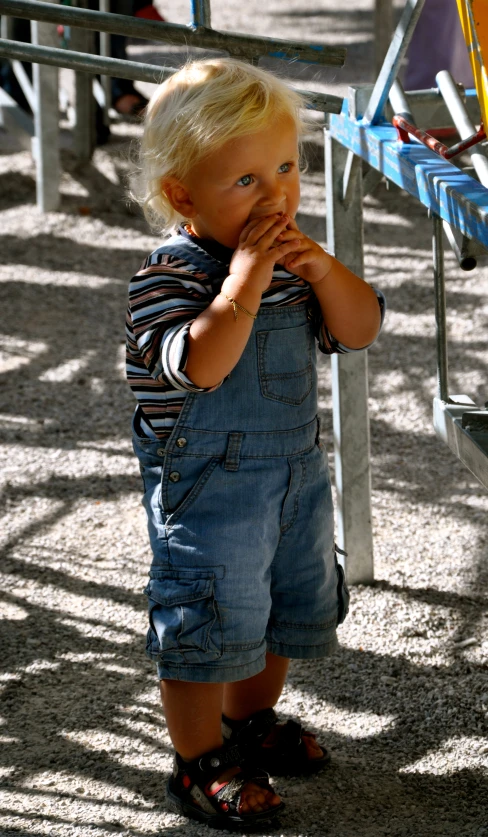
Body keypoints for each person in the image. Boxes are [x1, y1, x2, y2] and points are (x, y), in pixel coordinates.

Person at [126, 58, 384, 830]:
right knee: (207, 618)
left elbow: (361, 327)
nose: (276, 195)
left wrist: (324, 268)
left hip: (295, 480)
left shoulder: (298, 271)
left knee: (281, 608)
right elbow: (200, 363)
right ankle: (199, 755)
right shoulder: (167, 278)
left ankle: (251, 720)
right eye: (246, 182)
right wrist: (242, 280)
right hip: (212, 495)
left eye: (285, 167)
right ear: (183, 195)